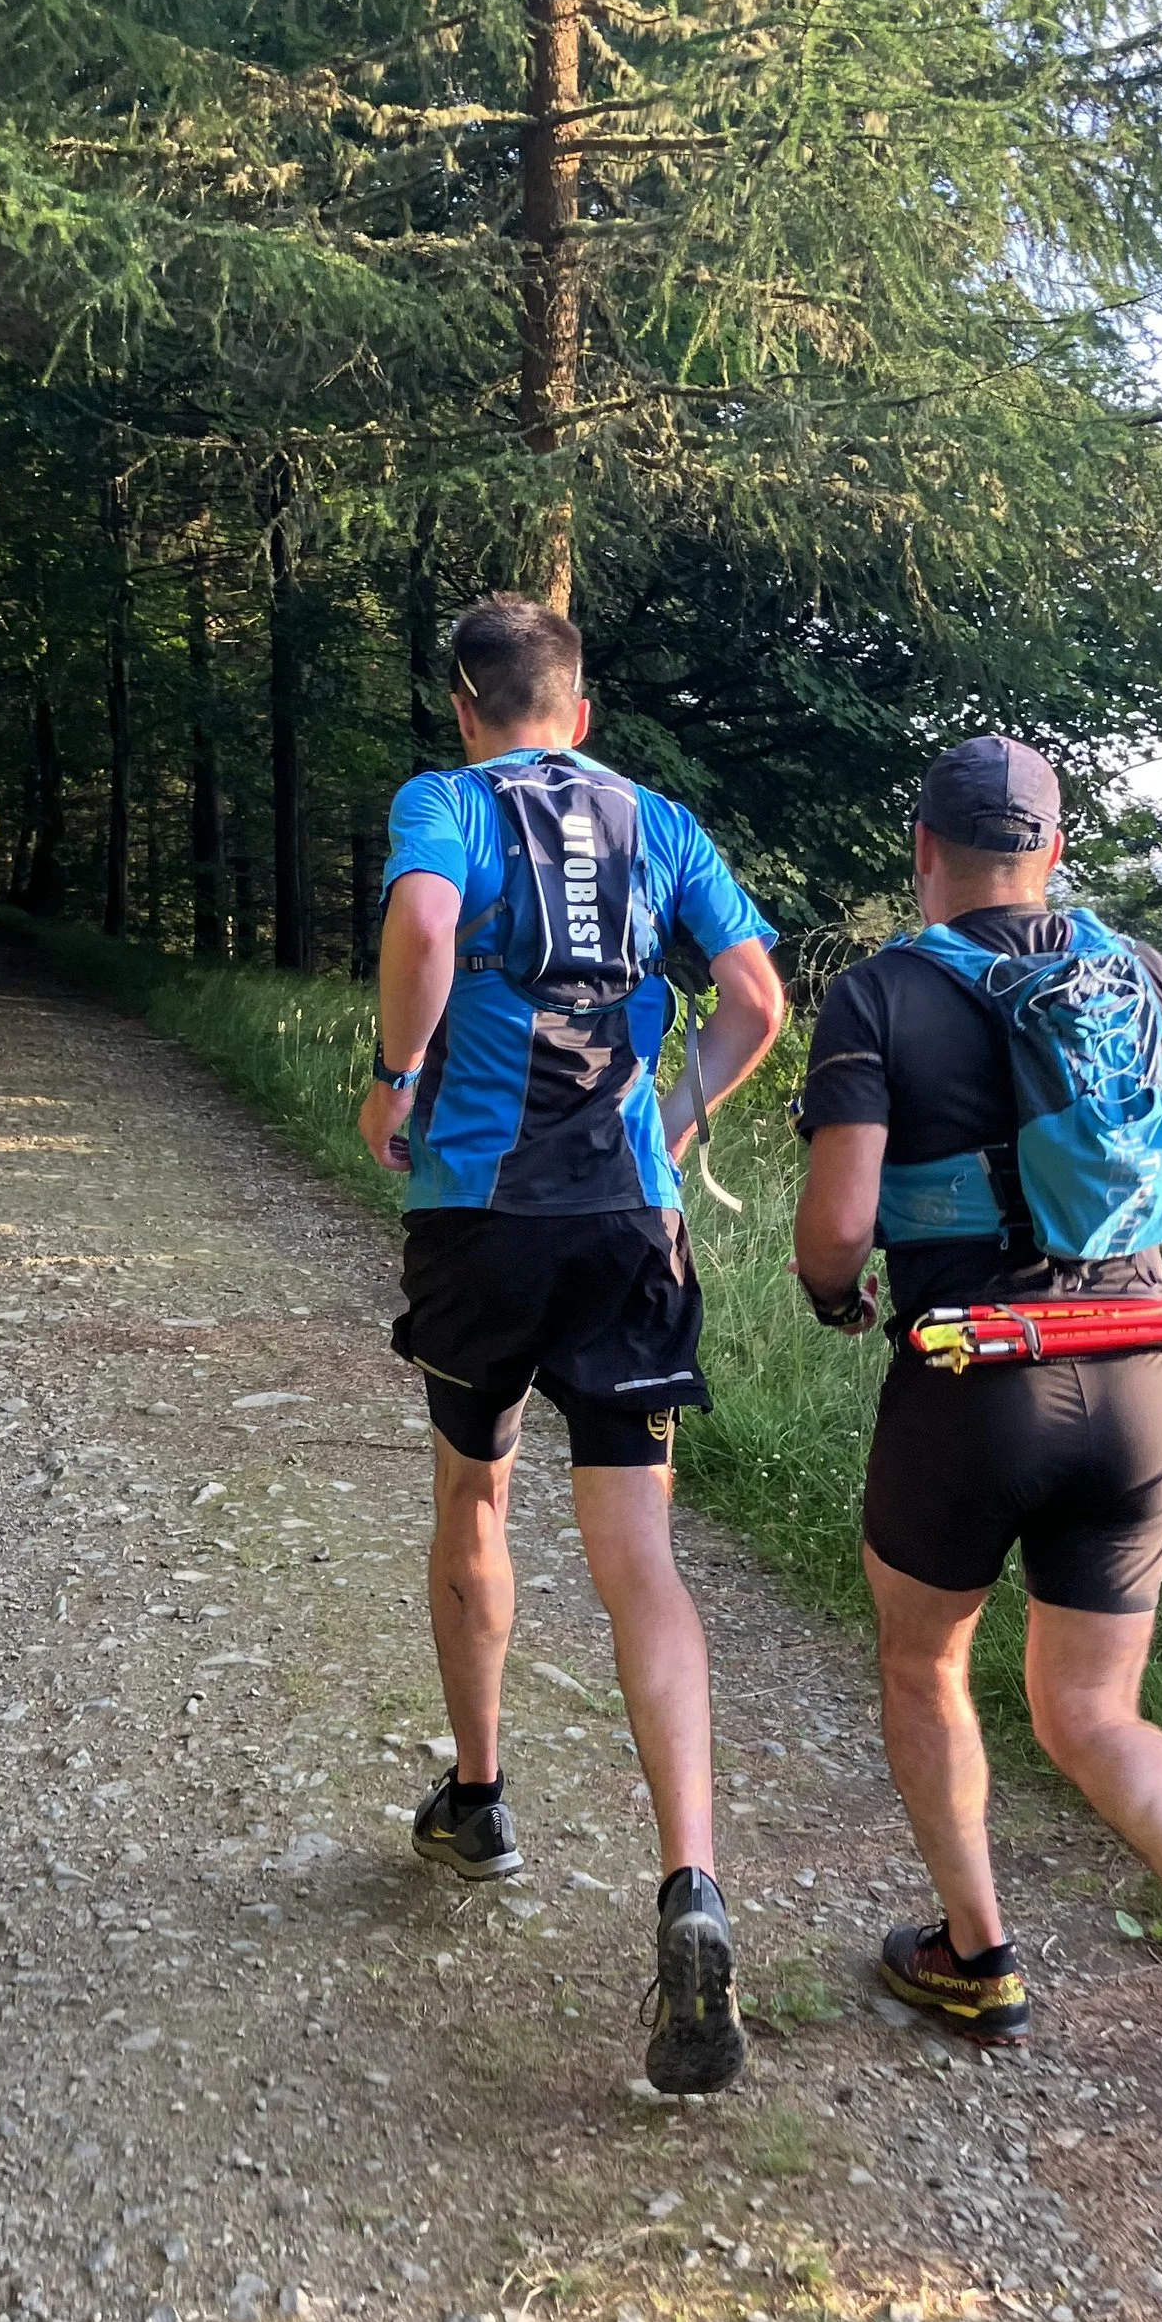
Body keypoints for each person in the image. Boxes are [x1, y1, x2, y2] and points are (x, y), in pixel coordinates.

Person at [791, 733, 1162, 2146]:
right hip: (1141, 1368)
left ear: (924, 850)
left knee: (928, 1661)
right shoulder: (1149, 979)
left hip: (974, 1378)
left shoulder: (879, 994)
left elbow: (840, 1225)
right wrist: (1124, 1253)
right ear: (1058, 846)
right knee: (1094, 1712)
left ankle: (977, 1958)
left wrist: (838, 1298)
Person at [359, 593, 787, 2093]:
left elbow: (422, 922)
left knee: (476, 1491)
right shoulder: (660, 820)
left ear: (467, 709)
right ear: (580, 711)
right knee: (644, 1561)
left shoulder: (445, 800)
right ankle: (692, 1885)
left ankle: (478, 1798)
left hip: (480, 1212)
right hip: (626, 1218)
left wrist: (394, 1073)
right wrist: (677, 1119)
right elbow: (755, 998)